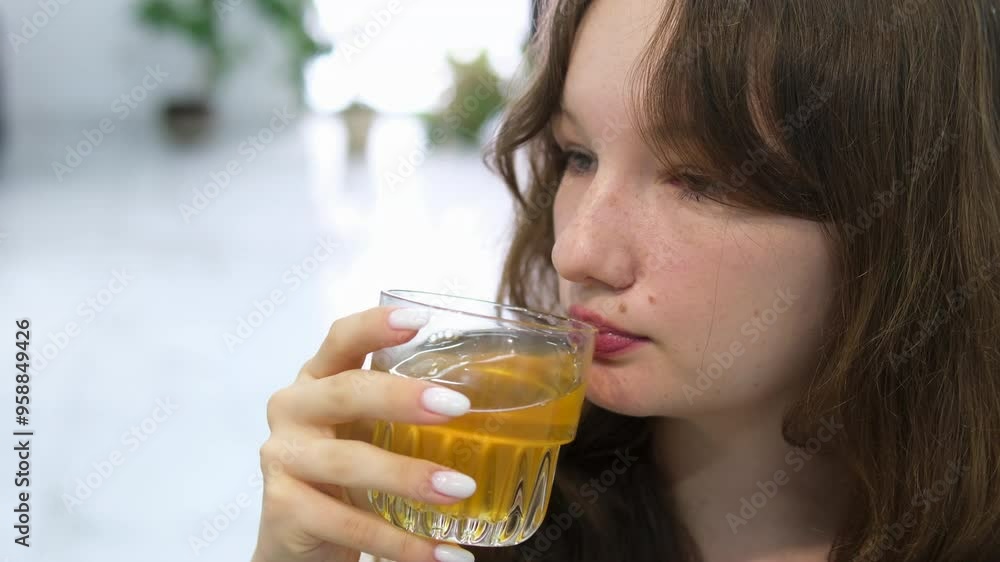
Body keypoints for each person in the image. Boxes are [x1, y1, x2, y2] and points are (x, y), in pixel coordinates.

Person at [252, 0, 1000, 560]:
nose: (576, 252)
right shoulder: (489, 505)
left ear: (901, 213)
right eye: (578, 156)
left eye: (702, 179)